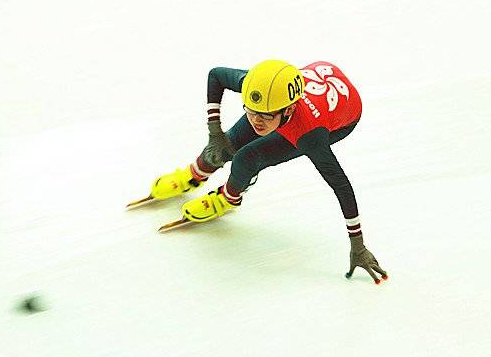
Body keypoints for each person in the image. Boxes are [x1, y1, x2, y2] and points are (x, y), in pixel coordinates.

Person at [150, 60, 388, 284]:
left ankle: (228, 198)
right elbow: (216, 76)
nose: (256, 121)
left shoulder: (310, 136)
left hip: (340, 120)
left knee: (246, 159)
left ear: (289, 109)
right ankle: (196, 172)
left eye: (265, 116)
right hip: (294, 95)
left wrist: (358, 246)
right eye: (250, 111)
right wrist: (215, 133)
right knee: (224, 146)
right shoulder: (259, 88)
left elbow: (341, 185)